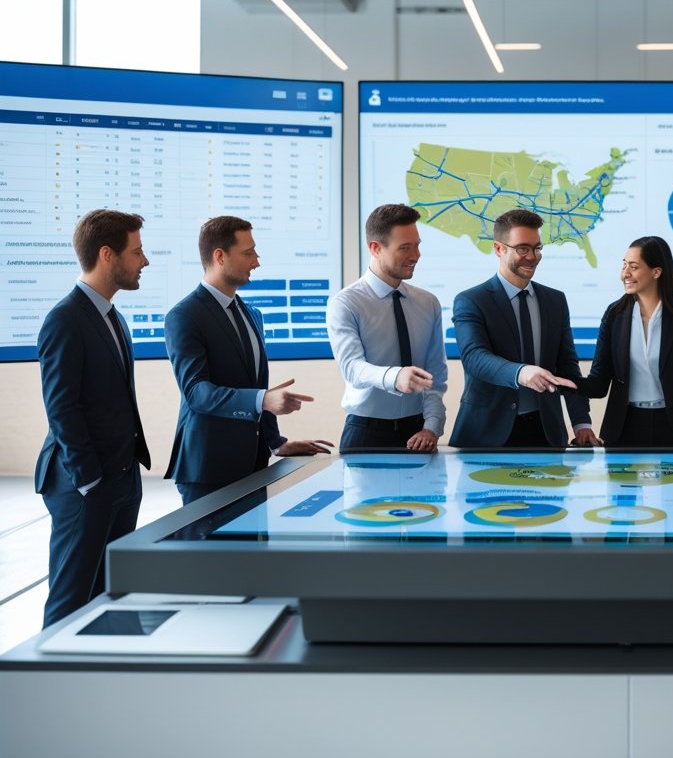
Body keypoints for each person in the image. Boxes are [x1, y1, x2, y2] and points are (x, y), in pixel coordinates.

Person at [35, 209, 151, 627]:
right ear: (107, 254)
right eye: (136, 251)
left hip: (120, 480)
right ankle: (50, 689)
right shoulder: (64, 319)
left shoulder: (113, 318)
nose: (145, 261)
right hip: (84, 486)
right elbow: (62, 407)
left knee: (111, 596)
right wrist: (90, 481)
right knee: (70, 602)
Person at [165, 216, 332, 505]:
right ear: (219, 256)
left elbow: (255, 387)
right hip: (208, 470)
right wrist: (263, 400)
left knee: (251, 550)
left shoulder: (251, 313)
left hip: (253, 466)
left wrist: (276, 443)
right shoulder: (184, 316)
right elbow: (196, 393)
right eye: (248, 253)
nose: (256, 262)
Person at [449, 208, 597, 448]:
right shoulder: (472, 300)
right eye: (522, 249)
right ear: (499, 249)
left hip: (546, 431)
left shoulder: (555, 301)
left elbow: (568, 366)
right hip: (487, 433)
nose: (532, 256)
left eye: (537, 248)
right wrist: (522, 373)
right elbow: (475, 358)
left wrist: (581, 422)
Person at [574, 236, 673, 447]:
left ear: (656, 272)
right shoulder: (615, 314)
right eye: (624, 266)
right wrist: (561, 380)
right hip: (624, 426)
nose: (625, 274)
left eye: (633, 267)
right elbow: (599, 383)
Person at [327, 204, 446, 452]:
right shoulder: (346, 303)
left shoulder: (428, 303)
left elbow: (435, 378)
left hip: (418, 435)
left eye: (417, 245)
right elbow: (352, 368)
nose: (416, 255)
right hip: (366, 435)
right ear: (375, 248)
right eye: (405, 247)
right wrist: (394, 376)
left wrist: (432, 426)